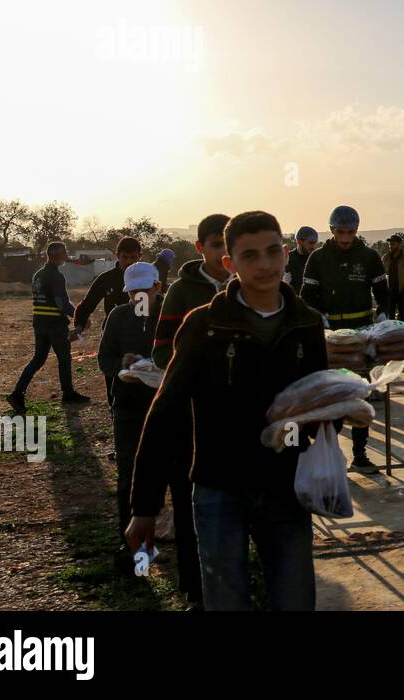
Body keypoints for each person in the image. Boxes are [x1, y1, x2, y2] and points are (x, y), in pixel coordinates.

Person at [126, 211, 326, 611]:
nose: (265, 264)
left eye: (273, 251)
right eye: (250, 256)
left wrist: (341, 410)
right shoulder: (204, 325)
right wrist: (144, 507)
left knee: (296, 599)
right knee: (226, 601)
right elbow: (165, 412)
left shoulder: (307, 324)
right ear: (230, 264)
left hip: (285, 487)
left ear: (286, 254)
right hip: (220, 486)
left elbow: (318, 402)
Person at [148, 212, 229, 607]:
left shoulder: (249, 283)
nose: (224, 254)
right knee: (188, 500)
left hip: (236, 416)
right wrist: (194, 370)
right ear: (200, 248)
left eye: (230, 246)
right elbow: (161, 347)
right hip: (190, 416)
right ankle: (196, 591)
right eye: (216, 246)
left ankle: (233, 581)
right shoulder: (182, 291)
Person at [300, 205, 390, 474]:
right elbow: (307, 294)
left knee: (360, 394)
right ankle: (330, 453)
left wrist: (384, 312)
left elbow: (382, 289)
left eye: (350, 232)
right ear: (332, 230)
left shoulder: (368, 256)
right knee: (332, 396)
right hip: (330, 334)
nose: (346, 238)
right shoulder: (318, 258)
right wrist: (319, 317)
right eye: (341, 232)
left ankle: (360, 454)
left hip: (360, 330)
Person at [99, 261, 161, 570]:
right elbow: (104, 358)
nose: (138, 298)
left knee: (171, 474)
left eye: (144, 291)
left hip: (163, 405)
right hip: (127, 405)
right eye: (133, 293)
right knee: (128, 476)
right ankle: (133, 547)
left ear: (157, 289)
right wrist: (122, 366)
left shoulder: (168, 316)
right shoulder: (118, 317)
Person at [8, 242, 92, 414]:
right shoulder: (56, 276)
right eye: (64, 253)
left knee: (38, 359)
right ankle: (68, 394)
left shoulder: (38, 275)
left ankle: (17, 393)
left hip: (39, 324)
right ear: (57, 255)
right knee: (64, 359)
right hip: (55, 324)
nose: (67, 255)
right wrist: (79, 315)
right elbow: (61, 302)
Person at [73, 236, 142, 335]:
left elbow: (158, 306)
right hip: (112, 332)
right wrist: (79, 326)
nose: (129, 262)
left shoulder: (149, 278)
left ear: (140, 256)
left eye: (133, 257)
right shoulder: (106, 279)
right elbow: (88, 304)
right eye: (125, 257)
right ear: (117, 255)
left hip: (140, 332)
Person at [381, 232, 404, 321]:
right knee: (390, 317)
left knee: (403, 316)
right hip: (389, 292)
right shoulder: (385, 258)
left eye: (393, 243)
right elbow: (381, 274)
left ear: (399, 244)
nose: (391, 245)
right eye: (390, 244)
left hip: (402, 291)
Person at [285, 225, 318, 291]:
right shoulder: (287, 259)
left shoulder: (317, 259)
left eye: (315, 243)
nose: (314, 247)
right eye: (311, 243)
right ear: (299, 241)